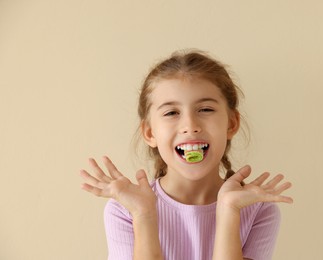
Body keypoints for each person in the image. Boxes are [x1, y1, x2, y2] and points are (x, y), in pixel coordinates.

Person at [80, 50, 293, 260]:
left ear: (231, 123)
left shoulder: (257, 209)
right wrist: (144, 216)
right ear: (149, 132)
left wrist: (229, 212)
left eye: (205, 109)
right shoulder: (125, 209)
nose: (190, 126)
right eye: (171, 113)